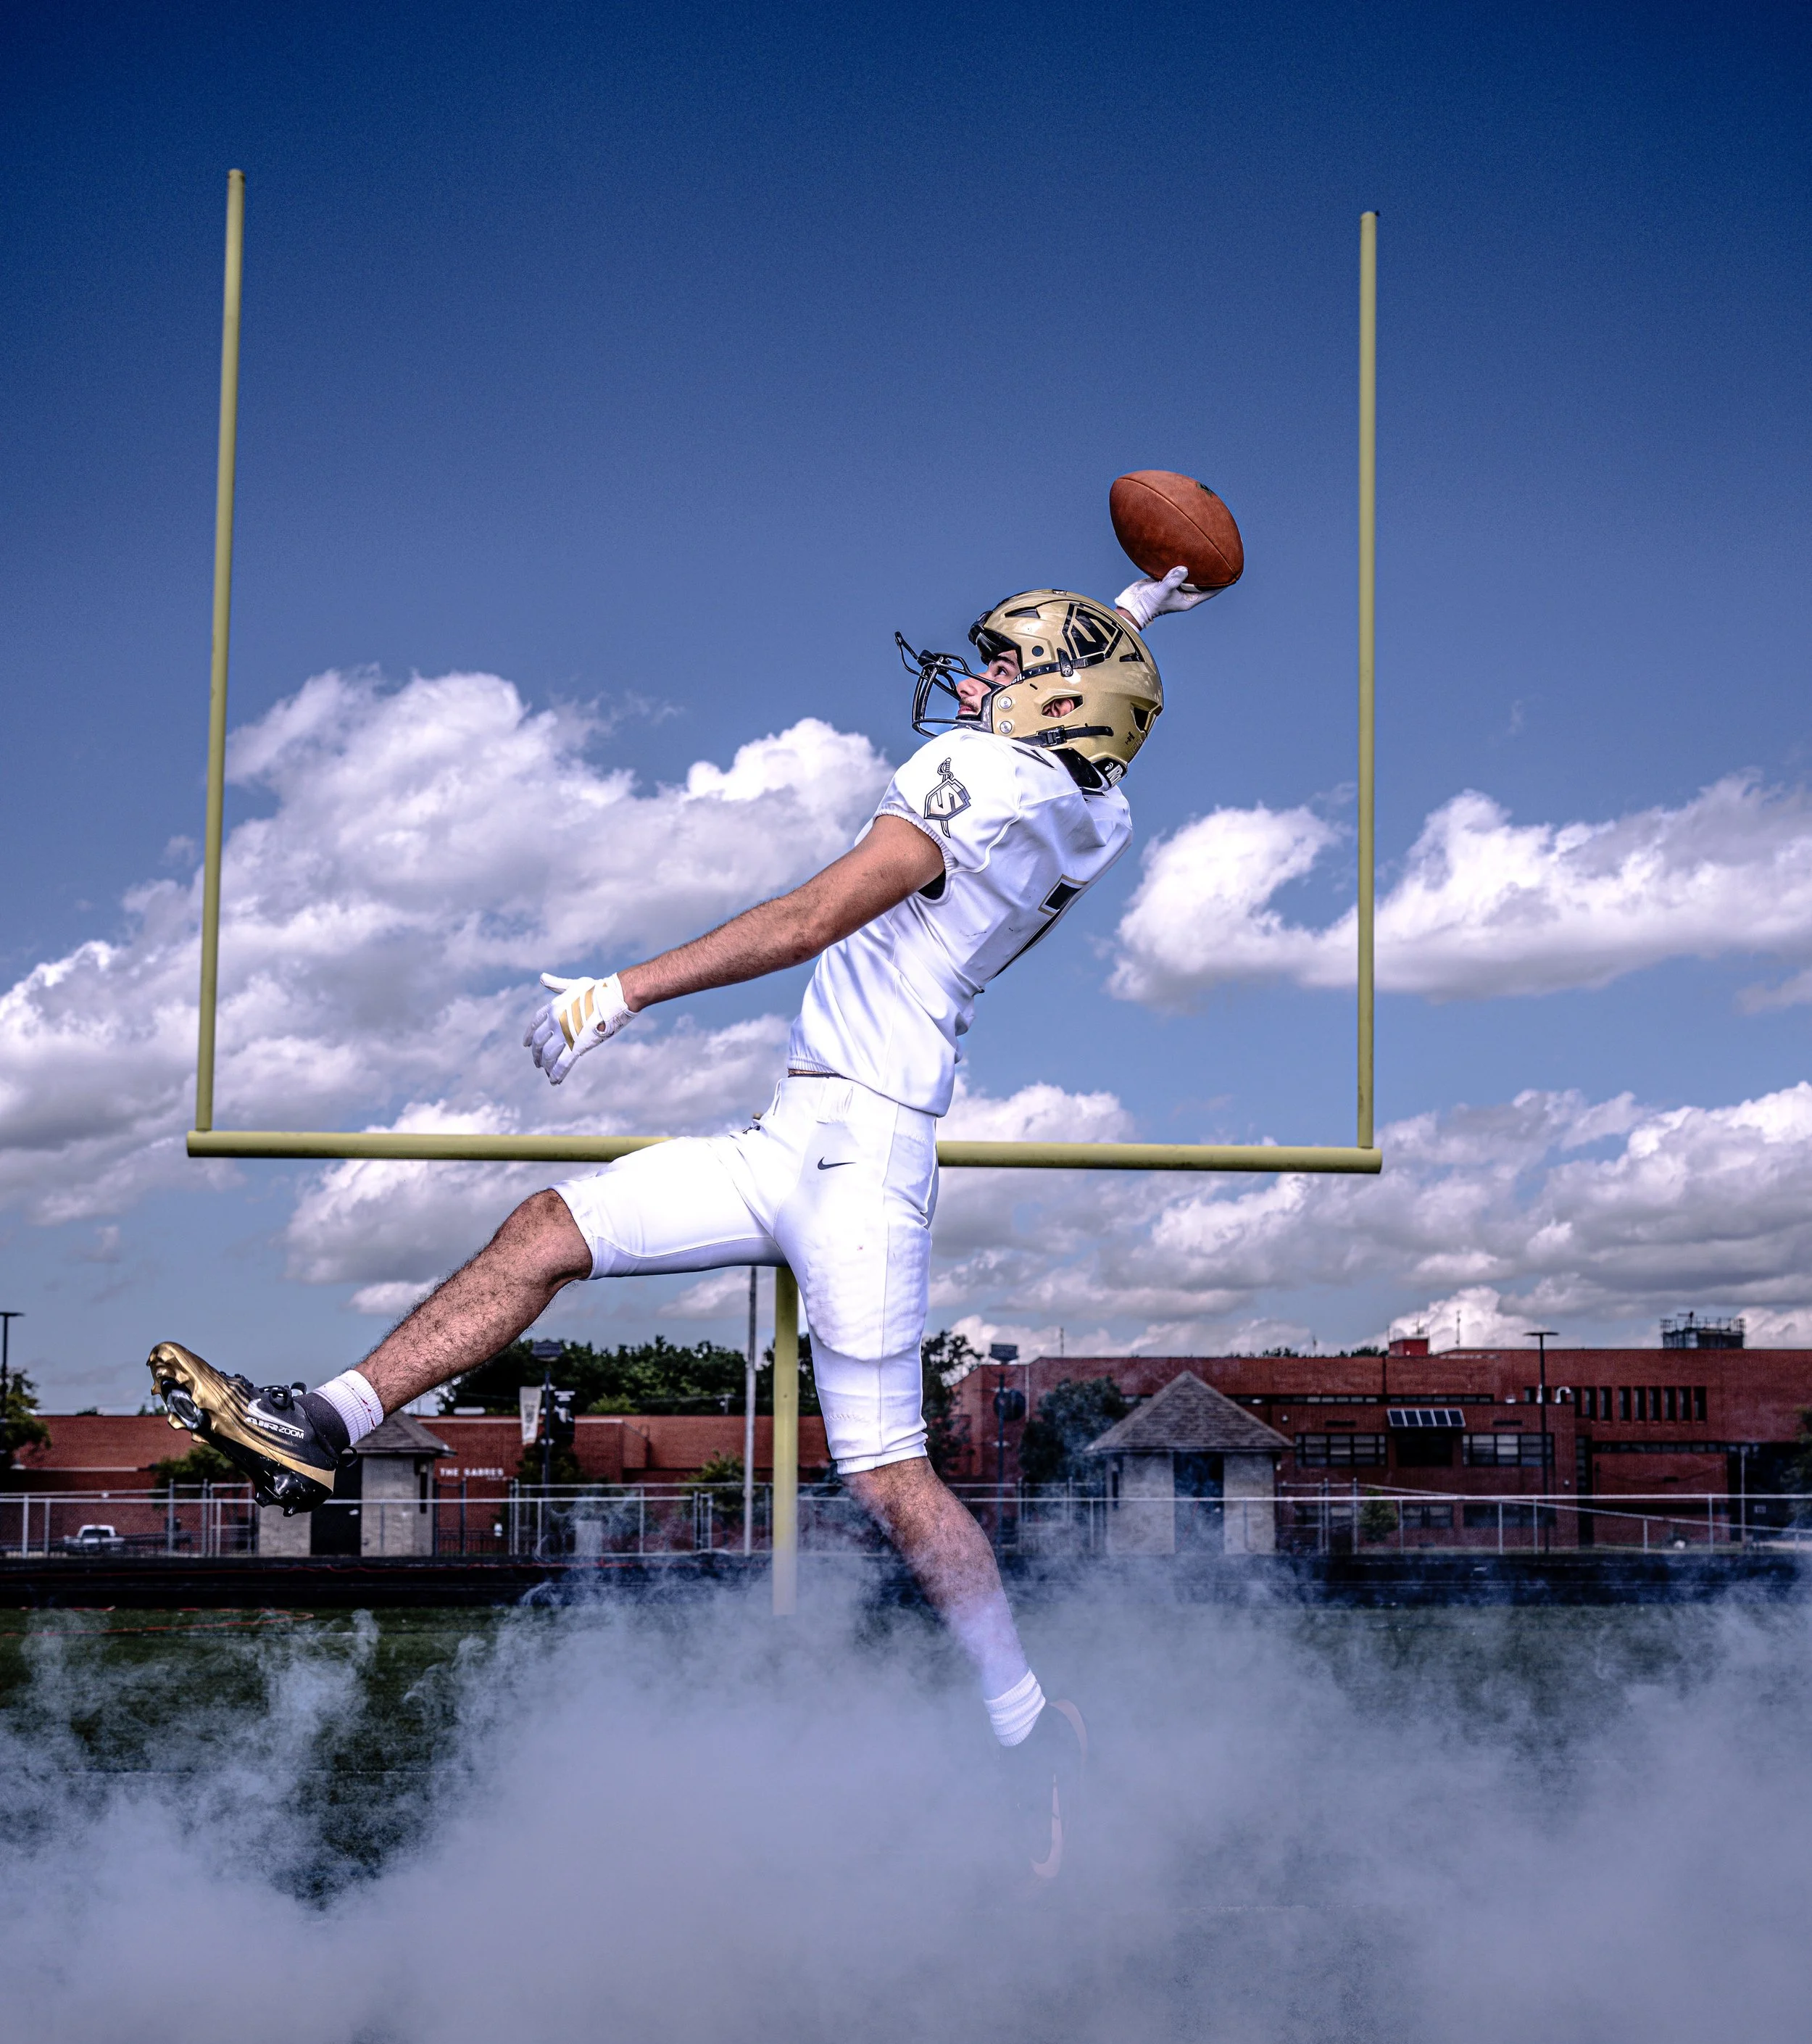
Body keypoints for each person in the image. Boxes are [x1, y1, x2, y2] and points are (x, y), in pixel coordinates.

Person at [149, 565, 1215, 1882]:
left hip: (863, 1158)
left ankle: (1027, 1727)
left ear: (1054, 702)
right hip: (798, 1133)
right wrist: (1131, 613)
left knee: (889, 1476)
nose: (972, 679)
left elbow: (819, 910)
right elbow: (1087, 727)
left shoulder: (984, 779)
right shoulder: (1092, 805)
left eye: (1006, 669)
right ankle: (326, 1420)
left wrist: (623, 992)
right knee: (546, 1226)